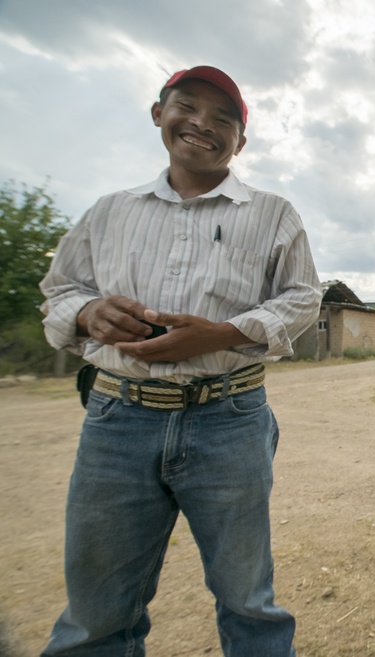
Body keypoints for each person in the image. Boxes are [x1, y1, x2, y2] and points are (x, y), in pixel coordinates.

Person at [38, 65, 321, 656]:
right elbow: (60, 289)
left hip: (228, 417)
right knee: (96, 616)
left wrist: (219, 334)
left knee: (249, 602)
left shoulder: (272, 213)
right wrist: (90, 313)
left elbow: (301, 299)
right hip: (118, 418)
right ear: (158, 114)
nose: (202, 125)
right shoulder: (109, 211)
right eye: (187, 107)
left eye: (224, 119)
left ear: (240, 142)